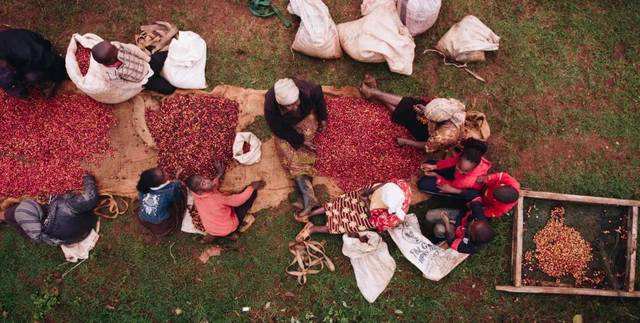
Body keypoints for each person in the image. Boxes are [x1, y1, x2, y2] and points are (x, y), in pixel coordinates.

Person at [264, 78, 328, 217]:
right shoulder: (270, 106)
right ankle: (308, 197)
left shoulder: (310, 90)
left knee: (305, 150)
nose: (294, 107)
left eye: (296, 103)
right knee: (285, 150)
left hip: (306, 118)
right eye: (288, 106)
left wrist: (323, 118)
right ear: (281, 104)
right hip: (287, 127)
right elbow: (278, 129)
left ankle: (306, 198)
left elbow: (320, 101)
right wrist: (299, 140)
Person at [359, 74, 468, 154]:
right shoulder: (452, 107)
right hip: (434, 122)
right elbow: (433, 110)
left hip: (426, 134)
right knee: (411, 104)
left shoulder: (443, 137)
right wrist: (424, 110)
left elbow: (426, 144)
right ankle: (375, 93)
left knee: (409, 119)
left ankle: (375, 93)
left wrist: (406, 142)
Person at [294, 179, 411, 241]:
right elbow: (385, 184)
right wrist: (368, 192)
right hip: (369, 197)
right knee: (341, 202)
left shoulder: (392, 219)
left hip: (371, 215)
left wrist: (365, 201)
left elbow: (373, 220)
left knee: (347, 224)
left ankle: (313, 229)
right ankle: (311, 213)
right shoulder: (400, 185)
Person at [0, 174, 98, 245]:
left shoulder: (27, 222)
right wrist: (88, 178)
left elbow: (37, 237)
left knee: (10, 215)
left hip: (66, 239)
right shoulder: (64, 206)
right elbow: (90, 197)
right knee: (16, 214)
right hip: (85, 227)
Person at [186, 161, 266, 240]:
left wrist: (219, 174)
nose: (207, 180)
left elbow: (212, 187)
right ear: (199, 191)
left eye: (203, 178)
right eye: (203, 183)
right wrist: (251, 187)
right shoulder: (216, 198)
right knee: (250, 196)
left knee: (218, 216)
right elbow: (238, 201)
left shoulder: (196, 195)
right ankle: (232, 232)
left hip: (211, 229)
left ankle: (215, 235)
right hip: (228, 227)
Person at [0, 28, 67, 98]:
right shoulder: (5, 55)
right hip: (18, 52)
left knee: (33, 76)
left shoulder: (27, 53)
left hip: (35, 47)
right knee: (8, 76)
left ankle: (50, 81)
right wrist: (19, 91)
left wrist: (62, 74)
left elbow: (48, 59)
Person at [91, 40, 175, 95]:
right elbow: (123, 85)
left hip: (147, 64)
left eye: (113, 46)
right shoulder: (109, 74)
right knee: (169, 89)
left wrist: (147, 59)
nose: (116, 47)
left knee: (168, 54)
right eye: (115, 49)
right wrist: (140, 84)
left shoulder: (117, 46)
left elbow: (133, 49)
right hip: (144, 80)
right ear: (111, 59)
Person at [417, 139, 491, 198]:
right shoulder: (468, 156)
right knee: (430, 163)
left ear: (473, 169)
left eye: (464, 171)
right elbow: (451, 161)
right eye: (459, 166)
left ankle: (450, 196)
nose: (459, 170)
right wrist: (435, 166)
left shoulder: (465, 181)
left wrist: (437, 176)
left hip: (458, 187)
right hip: (457, 178)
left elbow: (451, 185)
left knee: (422, 184)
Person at [136, 167, 185, 237]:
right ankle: (167, 229)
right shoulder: (169, 191)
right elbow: (177, 197)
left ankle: (151, 225)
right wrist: (177, 180)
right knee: (182, 192)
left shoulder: (142, 187)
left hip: (143, 219)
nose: (165, 171)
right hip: (161, 225)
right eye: (164, 174)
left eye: (162, 170)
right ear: (163, 181)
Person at [424, 207, 494, 254]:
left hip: (452, 233)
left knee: (439, 229)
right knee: (430, 215)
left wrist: (447, 223)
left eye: (472, 226)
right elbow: (473, 204)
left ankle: (435, 237)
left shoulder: (468, 247)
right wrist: (456, 222)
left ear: (472, 236)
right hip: (458, 218)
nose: (472, 221)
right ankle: (427, 226)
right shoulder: (480, 218)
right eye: (475, 221)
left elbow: (451, 241)